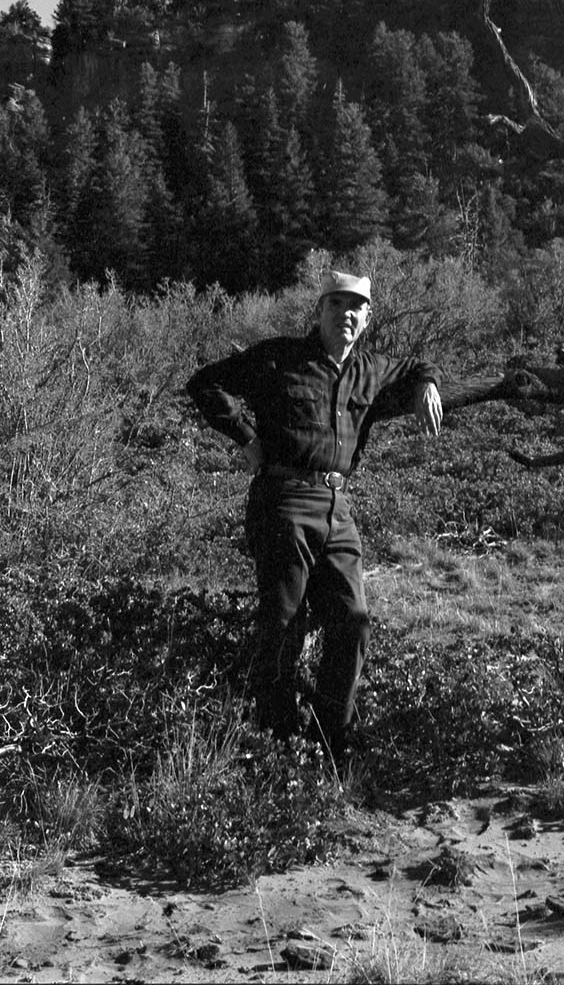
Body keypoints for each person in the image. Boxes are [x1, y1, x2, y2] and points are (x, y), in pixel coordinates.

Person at [186, 270, 443, 767]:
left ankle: (330, 740)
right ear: (319, 310)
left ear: (367, 319)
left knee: (353, 621)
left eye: (357, 308)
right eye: (337, 305)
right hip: (283, 500)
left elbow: (418, 365)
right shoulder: (279, 357)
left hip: (337, 507)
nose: (347, 314)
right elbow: (205, 383)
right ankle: (278, 743)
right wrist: (247, 439)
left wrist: (427, 384)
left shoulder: (369, 368)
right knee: (282, 623)